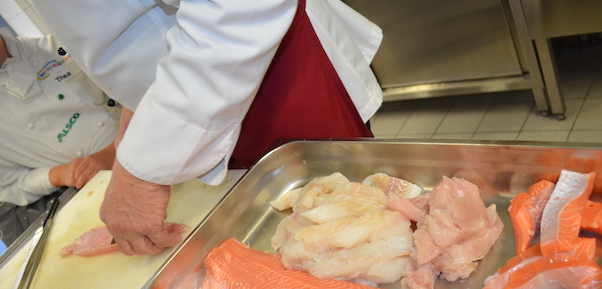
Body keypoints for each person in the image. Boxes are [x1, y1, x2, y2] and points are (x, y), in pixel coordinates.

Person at [30, 0, 384, 256]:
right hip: (199, 84)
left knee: (359, 223)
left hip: (263, 66)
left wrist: (139, 176)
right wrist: (137, 102)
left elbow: (236, 11)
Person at [0, 27, 121, 247]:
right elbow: (11, 184)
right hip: (100, 193)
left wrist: (114, 149)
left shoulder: (61, 44)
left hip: (153, 145)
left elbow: (141, 90)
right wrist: (58, 174)